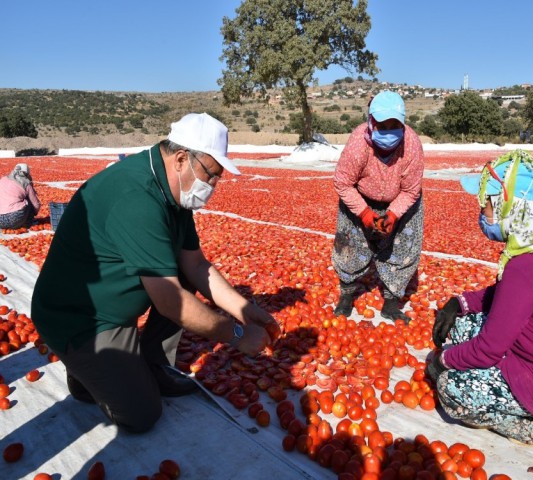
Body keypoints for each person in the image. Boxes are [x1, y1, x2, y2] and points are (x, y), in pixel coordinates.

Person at [31, 113, 279, 433]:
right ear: (180, 159)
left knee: (182, 273)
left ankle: (148, 363)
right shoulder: (138, 199)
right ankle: (83, 365)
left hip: (111, 310)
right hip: (79, 318)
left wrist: (246, 311)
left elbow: (196, 266)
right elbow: (171, 303)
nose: (213, 186)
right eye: (211, 175)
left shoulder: (172, 190)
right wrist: (236, 336)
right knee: (142, 415)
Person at [428, 150, 533, 446]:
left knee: (452, 389)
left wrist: (443, 359)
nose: (482, 212)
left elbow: (487, 351)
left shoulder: (523, 268)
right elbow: (509, 298)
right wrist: (461, 303)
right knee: (462, 326)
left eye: (489, 204)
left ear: (513, 207)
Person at [332, 90, 424, 323]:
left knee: (403, 247)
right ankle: (347, 294)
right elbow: (343, 183)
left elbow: (411, 190)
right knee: (349, 245)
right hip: (360, 198)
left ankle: (391, 302)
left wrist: (393, 214)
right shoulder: (357, 144)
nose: (389, 131)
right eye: (383, 125)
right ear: (371, 122)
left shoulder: (411, 145)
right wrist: (364, 213)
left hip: (401, 200)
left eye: (395, 125)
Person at [0, 163, 41, 229]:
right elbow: (36, 204)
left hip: (0, 221)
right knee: (28, 201)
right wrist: (34, 213)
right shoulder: (25, 183)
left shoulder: (2, 179)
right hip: (14, 219)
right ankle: (28, 223)